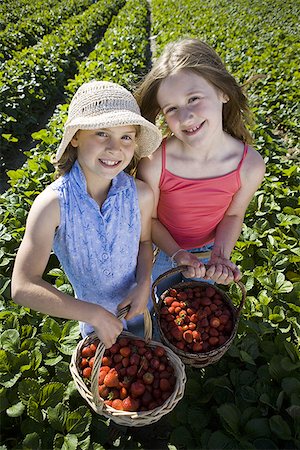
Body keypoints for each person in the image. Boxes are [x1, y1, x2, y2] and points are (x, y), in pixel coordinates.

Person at [11, 80, 162, 348]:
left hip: (141, 306)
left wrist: (143, 282)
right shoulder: (53, 205)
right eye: (102, 133)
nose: (115, 148)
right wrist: (93, 314)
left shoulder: (141, 195)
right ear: (76, 136)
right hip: (94, 326)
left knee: (144, 361)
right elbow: (22, 286)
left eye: (126, 136)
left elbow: (144, 243)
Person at [135, 38, 265, 285]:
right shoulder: (155, 162)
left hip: (210, 251)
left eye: (194, 98)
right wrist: (176, 253)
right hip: (161, 248)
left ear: (223, 91)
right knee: (158, 301)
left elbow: (234, 216)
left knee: (196, 308)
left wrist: (220, 255)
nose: (185, 117)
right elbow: (149, 220)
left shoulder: (249, 165)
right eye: (171, 109)